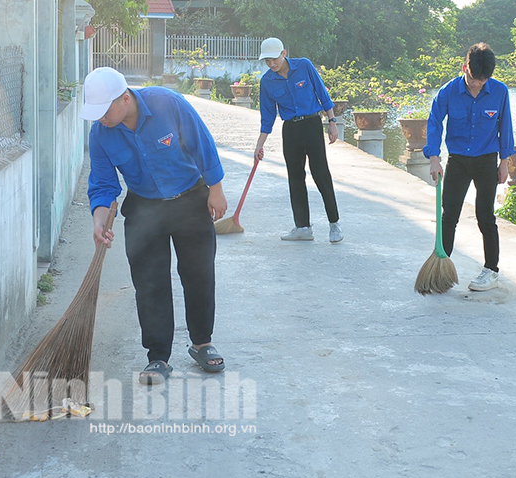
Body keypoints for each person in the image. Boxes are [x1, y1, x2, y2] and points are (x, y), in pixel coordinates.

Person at [82, 67, 228, 385]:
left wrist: (215, 188)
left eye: (104, 111)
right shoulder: (100, 134)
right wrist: (99, 217)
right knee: (150, 284)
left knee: (199, 274)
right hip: (145, 207)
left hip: (191, 198)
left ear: (124, 98)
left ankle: (202, 343)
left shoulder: (166, 103)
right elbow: (104, 184)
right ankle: (158, 357)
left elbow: (201, 141)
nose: (101, 119)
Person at [424, 43, 515, 292]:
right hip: (458, 161)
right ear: (465, 68)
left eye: (483, 81)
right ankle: (442, 265)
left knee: (486, 216)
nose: (477, 85)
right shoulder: (449, 91)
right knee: (449, 214)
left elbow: (505, 126)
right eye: (474, 79)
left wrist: (504, 162)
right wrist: (434, 157)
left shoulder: (499, 92)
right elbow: (434, 121)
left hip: (487, 160)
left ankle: (491, 270)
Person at [253, 37, 343, 243]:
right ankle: (302, 227)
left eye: (274, 59)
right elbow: (267, 116)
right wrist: (259, 145)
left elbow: (322, 93)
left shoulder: (304, 66)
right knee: (295, 177)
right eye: (267, 61)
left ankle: (334, 224)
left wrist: (332, 121)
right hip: (290, 130)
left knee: (321, 174)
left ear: (283, 53)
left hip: (311, 125)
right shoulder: (267, 81)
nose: (271, 64)